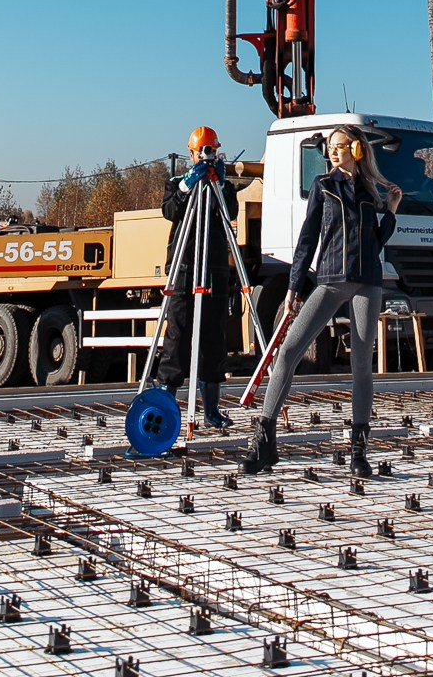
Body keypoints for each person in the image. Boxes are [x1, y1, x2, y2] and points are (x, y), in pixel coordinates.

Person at [241, 125, 402, 478]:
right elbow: (307, 238)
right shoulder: (324, 187)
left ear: (356, 150)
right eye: (329, 146)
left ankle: (359, 452)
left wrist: (390, 212)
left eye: (339, 146)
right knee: (287, 351)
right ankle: (264, 440)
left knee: (361, 366)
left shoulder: (369, 193)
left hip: (366, 284)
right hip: (329, 281)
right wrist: (294, 287)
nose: (332, 151)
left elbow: (374, 243)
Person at [157, 124, 238, 429]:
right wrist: (187, 186)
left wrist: (221, 181)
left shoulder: (223, 185)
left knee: (214, 338)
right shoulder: (177, 182)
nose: (206, 155)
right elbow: (169, 211)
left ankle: (211, 409)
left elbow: (230, 211)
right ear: (190, 153)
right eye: (202, 151)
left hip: (214, 268)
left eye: (211, 150)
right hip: (184, 267)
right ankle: (167, 404)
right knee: (177, 335)